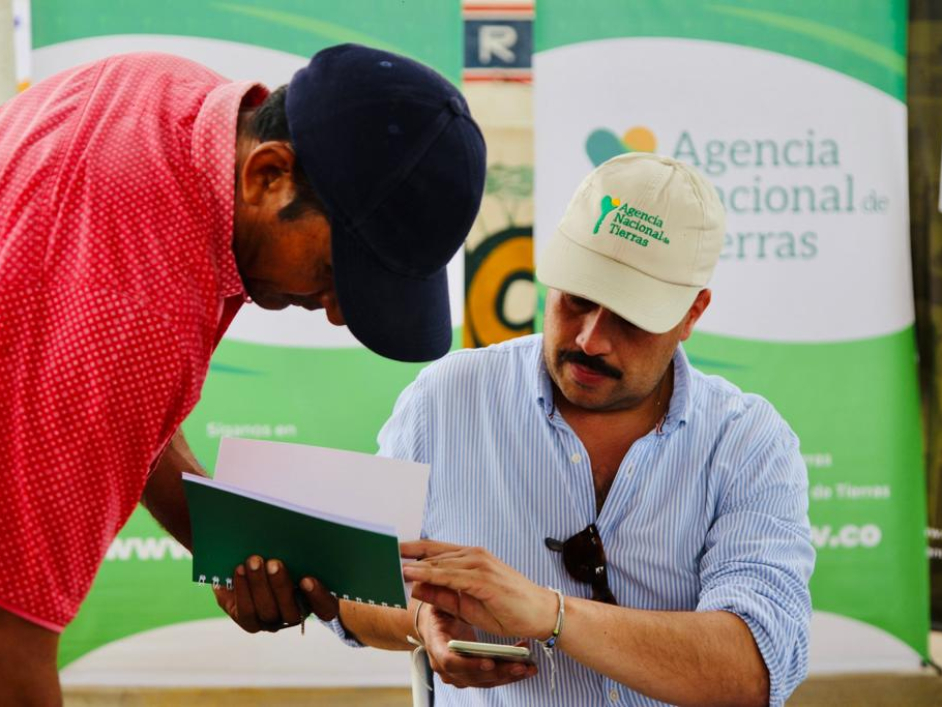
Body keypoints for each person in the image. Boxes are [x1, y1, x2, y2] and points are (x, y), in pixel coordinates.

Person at [223, 153, 814, 707]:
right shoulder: (446, 399)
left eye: (631, 317)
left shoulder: (748, 442)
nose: (590, 340)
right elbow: (370, 587)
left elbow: (755, 667)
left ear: (693, 313)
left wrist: (548, 614)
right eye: (576, 300)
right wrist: (421, 622)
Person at [0, 43, 485, 705]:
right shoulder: (139, 303)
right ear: (268, 174)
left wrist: (229, 541)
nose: (340, 313)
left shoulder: (170, 102)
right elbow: (9, 646)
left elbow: (109, 392)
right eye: (338, 273)